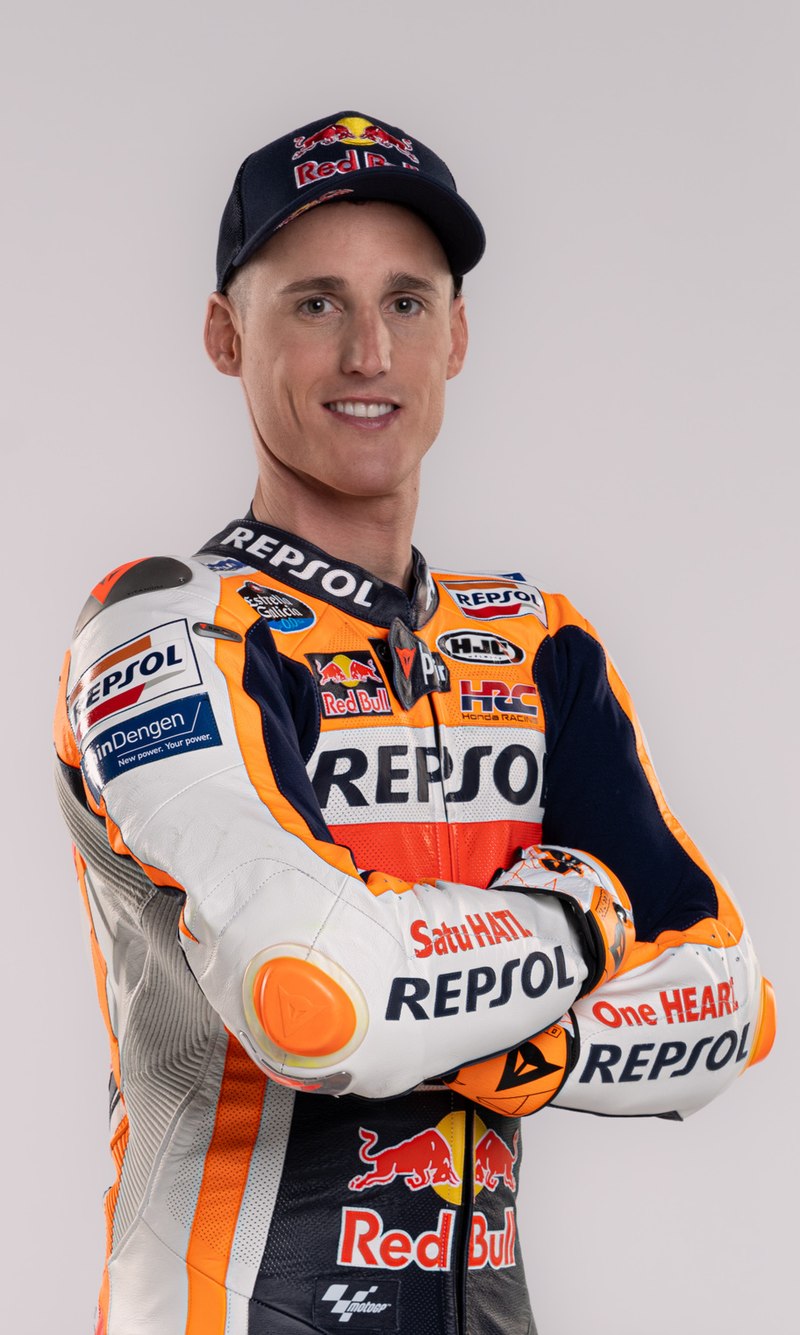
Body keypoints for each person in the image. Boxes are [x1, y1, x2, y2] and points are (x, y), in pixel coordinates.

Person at [53, 111, 775, 1335]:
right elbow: (311, 995)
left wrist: (483, 1026)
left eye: (405, 302)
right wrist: (581, 918)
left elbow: (727, 1011)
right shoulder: (162, 628)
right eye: (315, 304)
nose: (368, 354)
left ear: (457, 336)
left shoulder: (536, 641)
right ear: (227, 336)